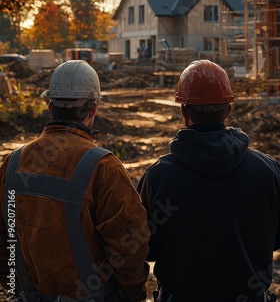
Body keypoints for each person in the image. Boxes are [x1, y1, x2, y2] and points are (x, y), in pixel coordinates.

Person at [0, 60, 149, 302]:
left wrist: (14, 285)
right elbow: (129, 244)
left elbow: (3, 240)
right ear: (93, 108)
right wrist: (131, 294)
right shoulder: (104, 167)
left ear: (50, 106)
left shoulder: (13, 163)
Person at [137, 60, 280, 302]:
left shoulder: (158, 177)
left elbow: (144, 248)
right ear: (228, 110)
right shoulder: (267, 171)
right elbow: (275, 239)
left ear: (184, 112)